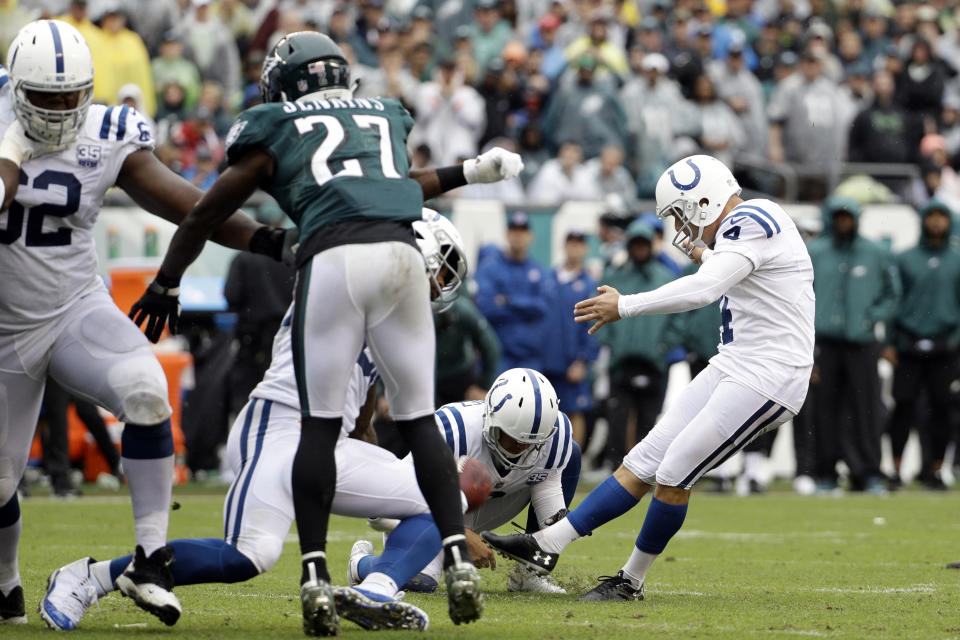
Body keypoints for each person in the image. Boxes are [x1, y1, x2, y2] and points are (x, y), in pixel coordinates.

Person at [123, 32, 523, 635]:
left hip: (334, 261)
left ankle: (316, 572)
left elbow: (206, 210)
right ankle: (456, 559)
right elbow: (400, 184)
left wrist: (167, 281)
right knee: (414, 423)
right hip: (389, 261)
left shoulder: (277, 124)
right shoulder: (382, 115)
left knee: (320, 425)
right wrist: (469, 170)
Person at [39, 212, 470, 632]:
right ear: (411, 256)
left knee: (445, 495)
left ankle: (376, 591)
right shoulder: (339, 278)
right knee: (248, 556)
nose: (441, 287)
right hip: (278, 430)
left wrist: (362, 423)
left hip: (331, 444)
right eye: (441, 272)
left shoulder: (397, 320)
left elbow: (371, 368)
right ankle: (89, 577)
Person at [0, 19, 294, 627]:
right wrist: (9, 150)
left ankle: (150, 554)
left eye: (71, 97)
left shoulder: (106, 132)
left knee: (146, 388)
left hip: (73, 307)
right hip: (4, 331)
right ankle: (5, 583)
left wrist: (269, 240)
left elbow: (189, 204)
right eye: (45, 99)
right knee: (0, 484)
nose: (59, 111)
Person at [482, 154, 815, 602]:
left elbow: (705, 288)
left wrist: (625, 305)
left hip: (770, 374)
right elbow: (729, 267)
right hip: (737, 362)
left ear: (703, 201)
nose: (680, 226)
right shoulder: (748, 225)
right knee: (644, 459)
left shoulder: (755, 216)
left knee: (675, 470)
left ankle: (630, 582)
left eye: (680, 213)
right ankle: (545, 544)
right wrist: (706, 253)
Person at [353, 368, 581, 596]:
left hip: (493, 503)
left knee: (573, 453)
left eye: (532, 443)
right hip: (429, 511)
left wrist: (552, 535)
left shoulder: (555, 437)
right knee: (420, 581)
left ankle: (528, 576)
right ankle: (360, 564)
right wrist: (458, 532)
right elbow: (384, 509)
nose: (522, 448)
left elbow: (547, 486)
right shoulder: (453, 430)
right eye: (513, 438)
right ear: (490, 419)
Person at [806, 197, 900, 493]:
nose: (843, 221)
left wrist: (872, 317)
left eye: (848, 216)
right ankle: (826, 473)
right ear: (831, 218)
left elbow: (892, 293)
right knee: (824, 409)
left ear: (857, 218)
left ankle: (869, 472)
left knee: (867, 408)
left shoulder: (875, 252)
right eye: (838, 216)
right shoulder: (816, 252)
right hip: (825, 342)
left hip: (862, 342)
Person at [885, 200, 960, 490]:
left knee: (942, 409)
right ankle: (895, 469)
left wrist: (955, 340)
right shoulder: (905, 259)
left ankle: (936, 469)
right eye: (932, 216)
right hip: (908, 343)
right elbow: (894, 302)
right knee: (903, 407)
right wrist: (889, 342)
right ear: (923, 221)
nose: (937, 222)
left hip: (946, 345)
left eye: (942, 216)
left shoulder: (956, 258)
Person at [475, 211, 554, 372]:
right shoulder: (490, 268)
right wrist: (526, 309)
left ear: (530, 236)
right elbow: (486, 307)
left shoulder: (539, 271)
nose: (518, 236)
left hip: (529, 356)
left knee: (533, 397)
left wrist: (508, 301)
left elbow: (542, 307)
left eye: (522, 231)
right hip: (497, 354)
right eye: (514, 231)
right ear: (507, 234)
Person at [544, 230, 599, 446]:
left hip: (572, 360)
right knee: (546, 412)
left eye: (579, 244)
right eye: (571, 244)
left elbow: (594, 325)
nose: (574, 249)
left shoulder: (588, 284)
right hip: (547, 359)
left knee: (575, 411)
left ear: (585, 249)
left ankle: (573, 460)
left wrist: (583, 359)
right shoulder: (548, 278)